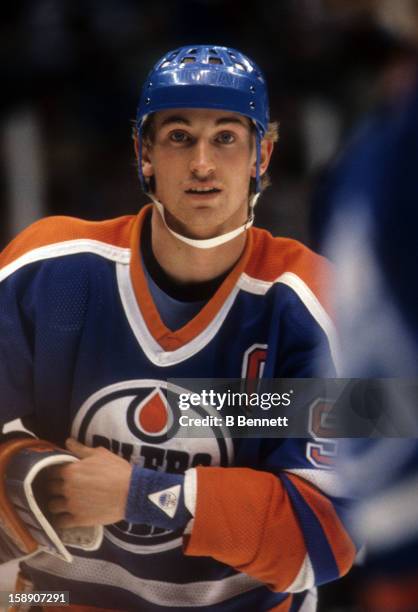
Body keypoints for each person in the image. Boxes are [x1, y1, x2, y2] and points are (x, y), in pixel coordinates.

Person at [0, 45, 356, 611]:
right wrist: (25, 473)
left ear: (263, 153)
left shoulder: (323, 304)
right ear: (143, 153)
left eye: (226, 138)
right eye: (179, 137)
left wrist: (143, 495)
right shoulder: (45, 268)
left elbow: (327, 540)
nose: (202, 165)